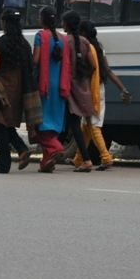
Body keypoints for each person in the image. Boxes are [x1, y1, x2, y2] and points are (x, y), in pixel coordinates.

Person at [71, 20, 132, 170]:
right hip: (100, 90)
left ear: (83, 34)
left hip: (91, 92)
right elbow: (108, 71)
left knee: (94, 126)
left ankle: (106, 157)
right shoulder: (99, 49)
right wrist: (122, 89)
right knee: (85, 126)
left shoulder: (86, 49)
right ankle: (79, 158)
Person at [0, 8, 32, 173]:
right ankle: (21, 149)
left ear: (4, 23)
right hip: (18, 89)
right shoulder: (25, 44)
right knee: (7, 123)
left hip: (1, 90)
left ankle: (3, 164)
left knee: (0, 125)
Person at [61, 10, 98, 172]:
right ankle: (55, 154)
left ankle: (86, 159)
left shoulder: (64, 41)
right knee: (72, 122)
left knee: (72, 124)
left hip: (67, 87)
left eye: (63, 22)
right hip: (80, 86)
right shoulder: (84, 42)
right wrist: (83, 76)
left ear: (67, 24)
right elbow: (93, 66)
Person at [32, 6, 69, 172]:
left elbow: (36, 60)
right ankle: (46, 162)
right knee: (52, 124)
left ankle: (56, 149)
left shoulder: (40, 36)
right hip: (59, 86)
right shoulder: (63, 39)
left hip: (44, 86)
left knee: (40, 123)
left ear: (42, 19)